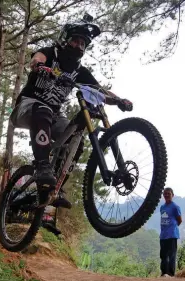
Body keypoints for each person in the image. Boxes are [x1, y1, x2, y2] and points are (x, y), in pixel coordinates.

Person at [9, 14, 132, 208]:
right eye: (76, 40)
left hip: (53, 116)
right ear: (65, 39)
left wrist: (117, 100)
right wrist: (40, 66)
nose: (79, 46)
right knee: (43, 110)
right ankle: (42, 166)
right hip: (27, 107)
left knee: (77, 140)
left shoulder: (80, 71)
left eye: (83, 43)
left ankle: (54, 187)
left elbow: (100, 91)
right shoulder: (50, 52)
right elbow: (36, 59)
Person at [159, 187, 182, 277]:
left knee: (171, 255)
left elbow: (179, 220)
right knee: (163, 255)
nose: (167, 195)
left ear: (173, 195)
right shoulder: (162, 207)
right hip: (163, 235)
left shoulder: (175, 207)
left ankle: (171, 274)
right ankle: (164, 273)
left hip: (172, 234)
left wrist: (172, 228)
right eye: (165, 193)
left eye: (169, 193)